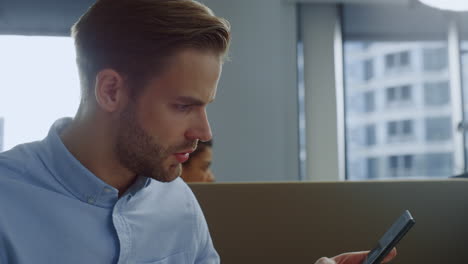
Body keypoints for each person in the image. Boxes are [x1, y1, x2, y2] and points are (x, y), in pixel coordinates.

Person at [0, 0, 397, 263]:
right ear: (111, 90)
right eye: (183, 105)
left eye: (205, 106)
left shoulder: (177, 203)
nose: (202, 130)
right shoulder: (8, 201)